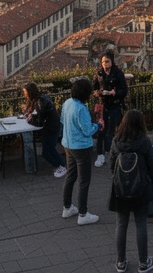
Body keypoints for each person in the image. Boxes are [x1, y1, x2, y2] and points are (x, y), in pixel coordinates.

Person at [107, 109, 153, 273]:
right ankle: (143, 262)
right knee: (141, 223)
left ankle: (120, 261)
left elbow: (111, 165)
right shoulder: (144, 142)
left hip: (120, 189)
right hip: (140, 188)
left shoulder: (116, 141)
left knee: (121, 224)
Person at [61, 76, 102, 225]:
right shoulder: (81, 108)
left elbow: (62, 121)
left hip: (68, 144)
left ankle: (67, 207)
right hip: (81, 147)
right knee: (84, 181)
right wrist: (97, 126)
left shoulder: (67, 103)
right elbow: (87, 131)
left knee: (70, 176)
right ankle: (83, 214)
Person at [21, 82, 66, 177]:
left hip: (51, 127)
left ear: (30, 92)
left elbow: (39, 120)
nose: (25, 95)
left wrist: (29, 119)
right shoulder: (39, 99)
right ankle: (61, 165)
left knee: (47, 151)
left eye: (25, 92)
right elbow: (35, 114)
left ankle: (61, 166)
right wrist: (28, 114)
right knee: (49, 150)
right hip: (51, 126)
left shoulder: (40, 101)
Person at [93, 50, 129, 168]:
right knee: (101, 131)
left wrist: (113, 93)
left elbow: (124, 90)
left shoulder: (118, 73)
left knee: (110, 131)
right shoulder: (99, 73)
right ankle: (100, 154)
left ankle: (109, 153)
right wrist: (99, 93)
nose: (105, 64)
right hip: (102, 106)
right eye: (103, 62)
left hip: (114, 105)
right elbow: (94, 88)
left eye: (107, 62)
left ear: (112, 62)